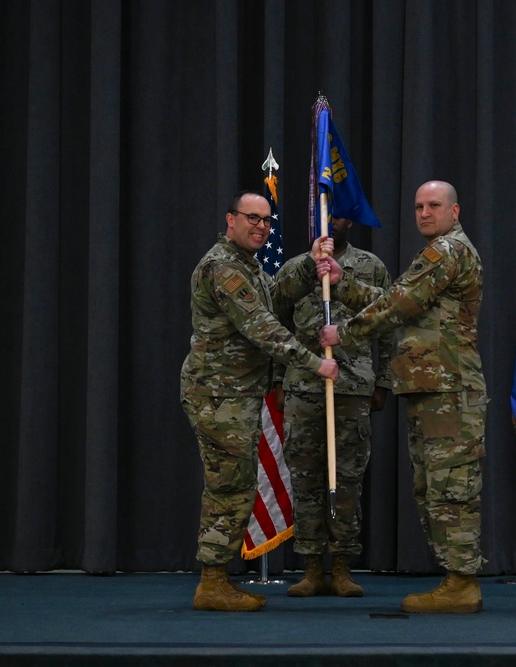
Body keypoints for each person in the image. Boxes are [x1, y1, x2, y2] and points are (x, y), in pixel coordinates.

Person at [318, 181, 487, 614]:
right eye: (418, 206)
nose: (425, 213)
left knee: (451, 489)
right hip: (432, 388)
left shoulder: (446, 252)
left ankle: (462, 583)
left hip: (448, 390)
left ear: (455, 210)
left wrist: (345, 331)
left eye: (434, 205)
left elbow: (398, 305)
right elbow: (400, 299)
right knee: (432, 488)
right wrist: (343, 281)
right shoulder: (437, 255)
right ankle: (455, 579)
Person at [180, 190, 339, 612]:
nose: (261, 227)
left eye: (266, 221)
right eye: (252, 218)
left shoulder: (246, 266)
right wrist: (313, 364)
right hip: (219, 394)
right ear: (230, 219)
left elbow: (277, 294)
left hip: (235, 393)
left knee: (235, 484)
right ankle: (212, 582)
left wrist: (311, 264)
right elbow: (262, 327)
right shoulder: (224, 268)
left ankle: (216, 579)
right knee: (228, 486)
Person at [272, 217, 393, 598]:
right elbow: (275, 322)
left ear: (350, 223)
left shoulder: (371, 266)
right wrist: (277, 379)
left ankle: (341, 566)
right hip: (303, 384)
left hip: (353, 383)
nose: (332, 222)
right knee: (306, 479)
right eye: (326, 215)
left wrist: (384, 380)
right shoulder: (295, 268)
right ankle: (310, 567)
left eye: (339, 215)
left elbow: (389, 323)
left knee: (347, 479)